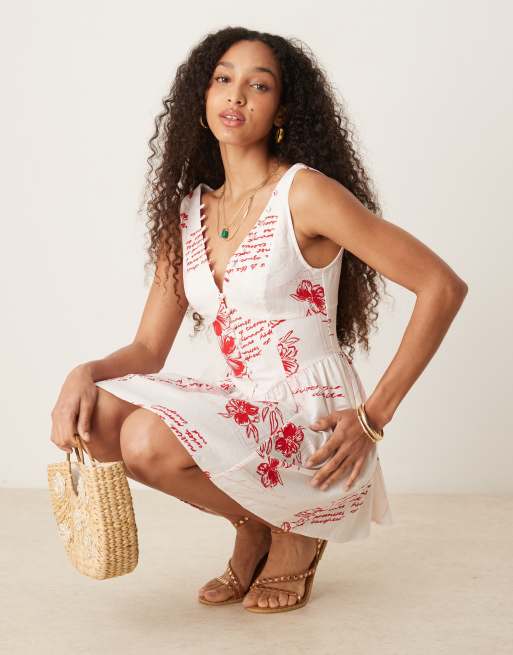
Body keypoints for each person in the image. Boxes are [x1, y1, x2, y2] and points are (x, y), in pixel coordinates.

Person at [50, 27, 468, 613]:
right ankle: (256, 523)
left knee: (145, 437)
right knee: (98, 417)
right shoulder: (187, 214)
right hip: (244, 403)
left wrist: (374, 416)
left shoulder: (305, 193)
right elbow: (147, 349)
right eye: (223, 79)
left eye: (259, 85)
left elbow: (442, 286)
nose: (236, 95)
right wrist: (82, 373)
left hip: (312, 420)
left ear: (282, 110)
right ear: (202, 97)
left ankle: (298, 530)